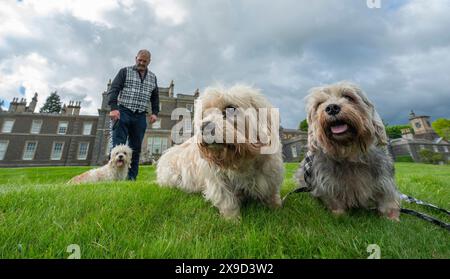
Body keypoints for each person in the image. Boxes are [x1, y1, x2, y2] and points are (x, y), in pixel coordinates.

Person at [107, 49, 159, 180]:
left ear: (149, 62)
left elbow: (155, 97)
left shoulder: (153, 77)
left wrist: (155, 113)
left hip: (140, 116)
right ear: (136, 58)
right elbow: (114, 89)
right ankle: (113, 177)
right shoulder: (124, 71)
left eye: (144, 61)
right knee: (118, 148)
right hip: (123, 112)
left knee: (135, 149)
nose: (141, 63)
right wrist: (113, 108)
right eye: (139, 60)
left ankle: (131, 178)